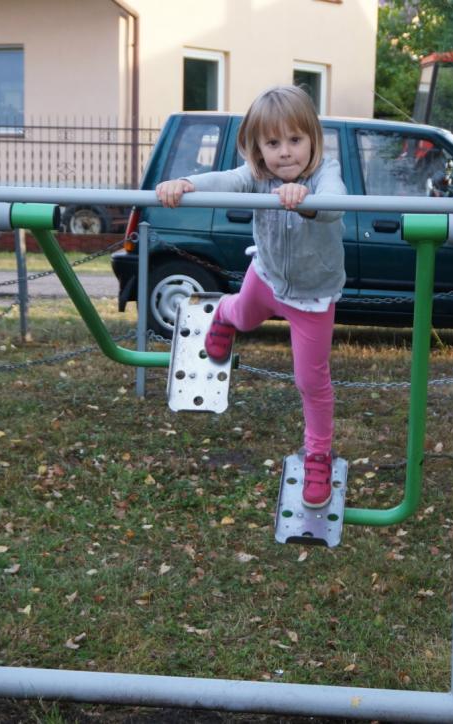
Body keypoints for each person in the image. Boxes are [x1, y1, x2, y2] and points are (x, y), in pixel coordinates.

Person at [156, 85, 346, 509]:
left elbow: (336, 203)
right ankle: (222, 314)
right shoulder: (257, 176)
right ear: (258, 148)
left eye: (295, 139)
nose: (285, 152)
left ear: (313, 138)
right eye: (273, 143)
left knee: (311, 380)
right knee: (243, 315)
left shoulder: (324, 173)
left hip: (312, 298)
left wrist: (307, 201)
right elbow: (226, 179)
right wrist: (186, 183)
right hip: (266, 276)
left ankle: (317, 454)